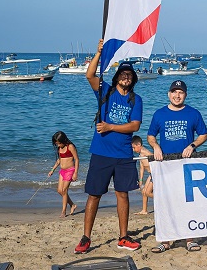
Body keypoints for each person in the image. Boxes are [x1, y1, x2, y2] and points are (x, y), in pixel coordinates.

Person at [75, 40, 144, 254]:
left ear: (133, 80)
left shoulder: (136, 100)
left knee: (122, 194)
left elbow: (135, 125)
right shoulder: (105, 91)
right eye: (123, 75)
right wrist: (97, 53)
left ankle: (123, 237)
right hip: (101, 152)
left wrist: (110, 126)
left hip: (123, 154)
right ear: (116, 78)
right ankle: (86, 238)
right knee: (94, 195)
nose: (126, 77)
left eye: (129, 76)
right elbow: (89, 75)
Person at [147, 79, 207, 253]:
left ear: (185, 95)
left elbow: (203, 134)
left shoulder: (193, 113)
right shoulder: (159, 114)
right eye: (174, 92)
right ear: (169, 94)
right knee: (164, 203)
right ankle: (165, 241)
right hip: (165, 165)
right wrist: (156, 146)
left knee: (188, 202)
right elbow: (150, 136)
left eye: (180, 92)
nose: (177, 95)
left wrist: (192, 146)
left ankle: (190, 239)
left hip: (187, 164)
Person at [48, 131, 79, 217]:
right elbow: (59, 160)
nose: (58, 145)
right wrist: (52, 170)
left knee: (64, 190)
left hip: (70, 170)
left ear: (63, 141)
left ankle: (63, 211)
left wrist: (75, 173)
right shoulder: (59, 148)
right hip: (62, 171)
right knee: (59, 191)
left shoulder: (70, 147)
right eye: (56, 144)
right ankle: (72, 205)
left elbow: (76, 159)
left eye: (59, 143)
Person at [131, 136, 152, 215]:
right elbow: (142, 168)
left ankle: (162, 201)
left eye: (134, 147)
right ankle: (144, 210)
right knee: (143, 192)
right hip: (150, 175)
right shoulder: (140, 154)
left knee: (147, 192)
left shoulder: (146, 153)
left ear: (139, 144)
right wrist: (140, 180)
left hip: (154, 174)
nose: (133, 150)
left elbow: (155, 159)